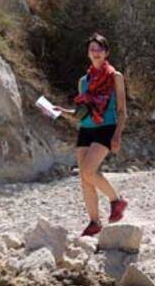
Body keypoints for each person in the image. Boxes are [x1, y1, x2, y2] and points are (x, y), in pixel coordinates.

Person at [54, 33, 128, 236]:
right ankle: (94, 222)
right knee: (85, 179)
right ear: (88, 53)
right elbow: (81, 112)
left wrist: (117, 135)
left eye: (99, 49)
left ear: (106, 53)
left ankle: (116, 200)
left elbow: (122, 110)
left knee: (88, 170)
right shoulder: (83, 81)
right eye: (92, 49)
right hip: (86, 129)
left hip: (106, 127)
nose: (95, 53)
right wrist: (63, 111)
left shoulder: (116, 77)